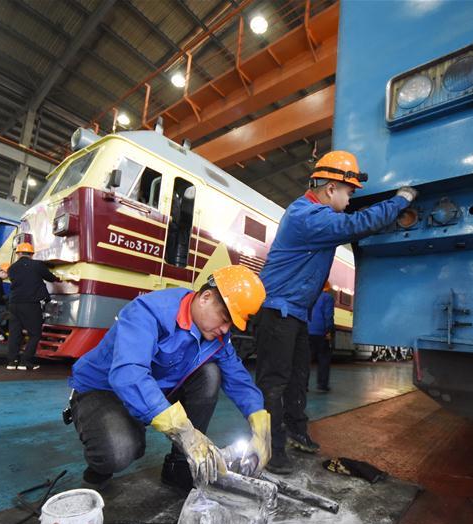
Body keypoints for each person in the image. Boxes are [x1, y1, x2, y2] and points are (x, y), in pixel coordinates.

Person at [255, 150, 418, 473]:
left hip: (296, 312)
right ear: (331, 189)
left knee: (298, 378)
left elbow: (356, 222)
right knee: (274, 383)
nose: (350, 198)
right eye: (349, 192)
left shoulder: (318, 216)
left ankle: (296, 432)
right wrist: (402, 199)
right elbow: (358, 223)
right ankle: (270, 449)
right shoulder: (307, 215)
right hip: (276, 310)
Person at [66, 265, 271, 493]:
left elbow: (238, 377)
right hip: (102, 391)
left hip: (152, 390)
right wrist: (185, 432)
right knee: (121, 449)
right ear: (205, 297)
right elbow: (128, 374)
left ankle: (181, 465)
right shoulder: (149, 311)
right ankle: (97, 474)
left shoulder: (216, 337)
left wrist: (260, 422)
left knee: (211, 373)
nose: (225, 329)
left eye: (230, 325)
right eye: (225, 319)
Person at [6, 242, 60, 371]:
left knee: (15, 333)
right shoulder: (37, 265)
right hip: (30, 303)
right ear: (31, 254)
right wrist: (58, 278)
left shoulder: (11, 268)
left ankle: (12, 362)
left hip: (13, 303)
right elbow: (50, 278)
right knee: (35, 333)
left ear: (18, 254)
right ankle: (26, 362)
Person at [309, 282, 335, 393]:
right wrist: (329, 330)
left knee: (305, 360)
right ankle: (322, 385)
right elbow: (328, 315)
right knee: (323, 359)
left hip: (307, 331)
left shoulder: (311, 296)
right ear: (327, 288)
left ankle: (303, 385)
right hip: (321, 333)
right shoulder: (327, 297)